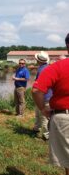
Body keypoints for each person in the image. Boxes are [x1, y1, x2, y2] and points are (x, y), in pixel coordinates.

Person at [32, 33, 69, 175]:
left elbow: (36, 90)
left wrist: (42, 108)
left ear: (67, 45)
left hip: (64, 117)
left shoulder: (57, 67)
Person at [32, 51, 52, 140]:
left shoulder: (42, 70)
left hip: (43, 96)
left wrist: (35, 94)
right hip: (46, 95)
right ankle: (37, 128)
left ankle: (46, 136)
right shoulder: (46, 67)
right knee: (38, 113)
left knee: (44, 116)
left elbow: (38, 85)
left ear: (38, 60)